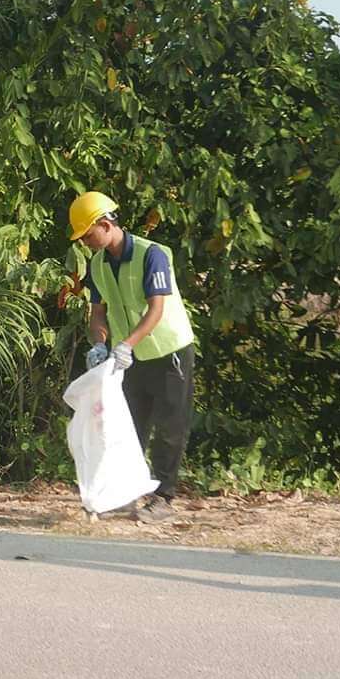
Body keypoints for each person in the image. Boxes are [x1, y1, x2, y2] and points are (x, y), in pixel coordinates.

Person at [69, 191, 196, 524]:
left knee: (169, 428)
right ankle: (124, 494)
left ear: (105, 224)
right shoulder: (98, 264)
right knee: (126, 426)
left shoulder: (151, 254)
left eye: (87, 235)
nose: (85, 242)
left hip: (169, 353)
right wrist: (100, 344)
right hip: (130, 357)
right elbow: (98, 313)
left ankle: (163, 498)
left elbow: (157, 309)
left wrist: (125, 344)